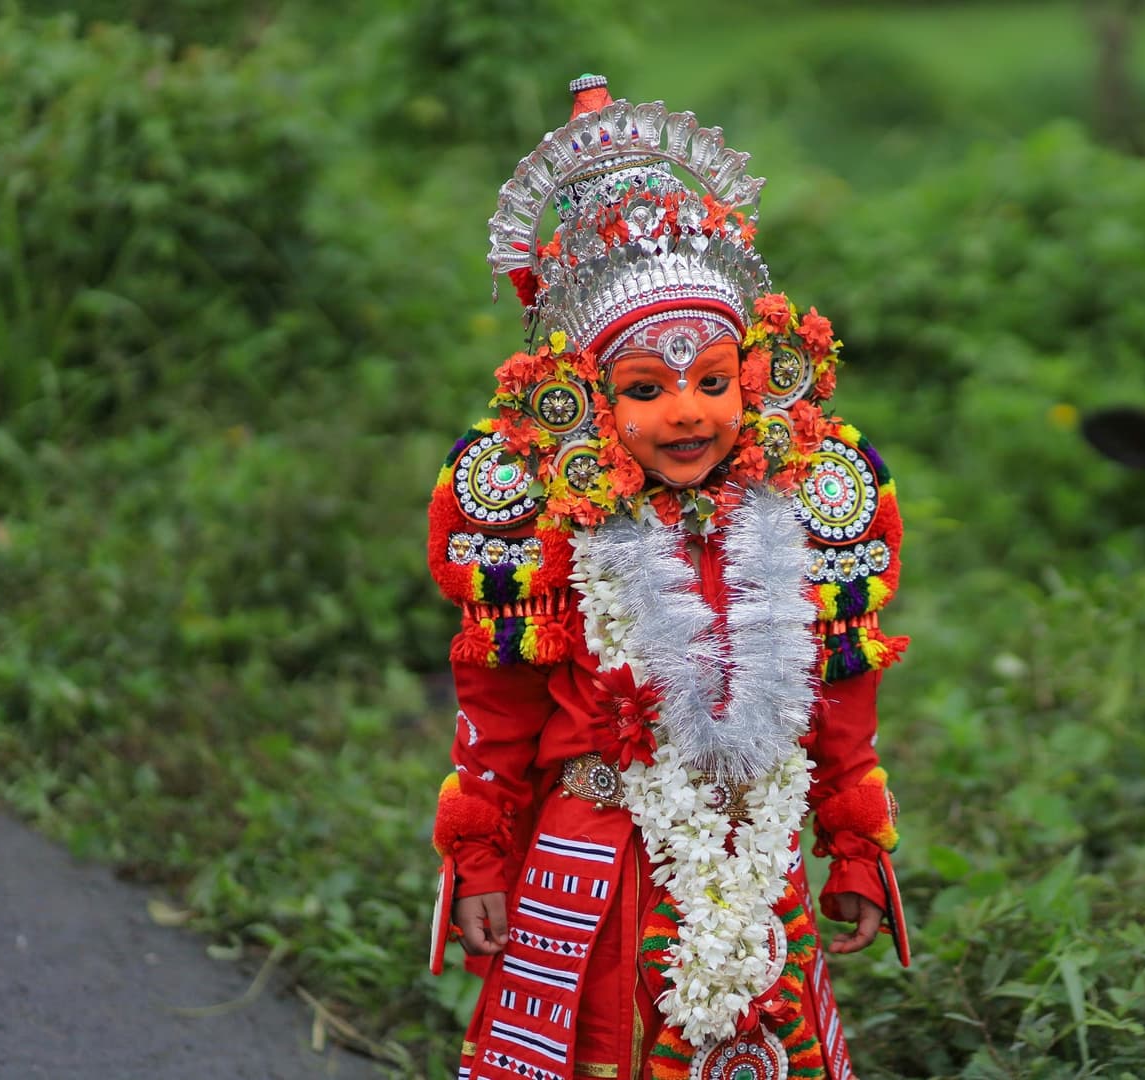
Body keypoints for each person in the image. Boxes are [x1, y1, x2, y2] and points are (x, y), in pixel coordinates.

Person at [423, 73, 910, 1080]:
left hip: (753, 853)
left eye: (712, 382)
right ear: (588, 402)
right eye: (646, 389)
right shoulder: (546, 517)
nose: (687, 414)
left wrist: (853, 840)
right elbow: (499, 704)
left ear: (755, 376)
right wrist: (480, 853)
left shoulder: (799, 501)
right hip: (597, 852)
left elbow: (838, 692)